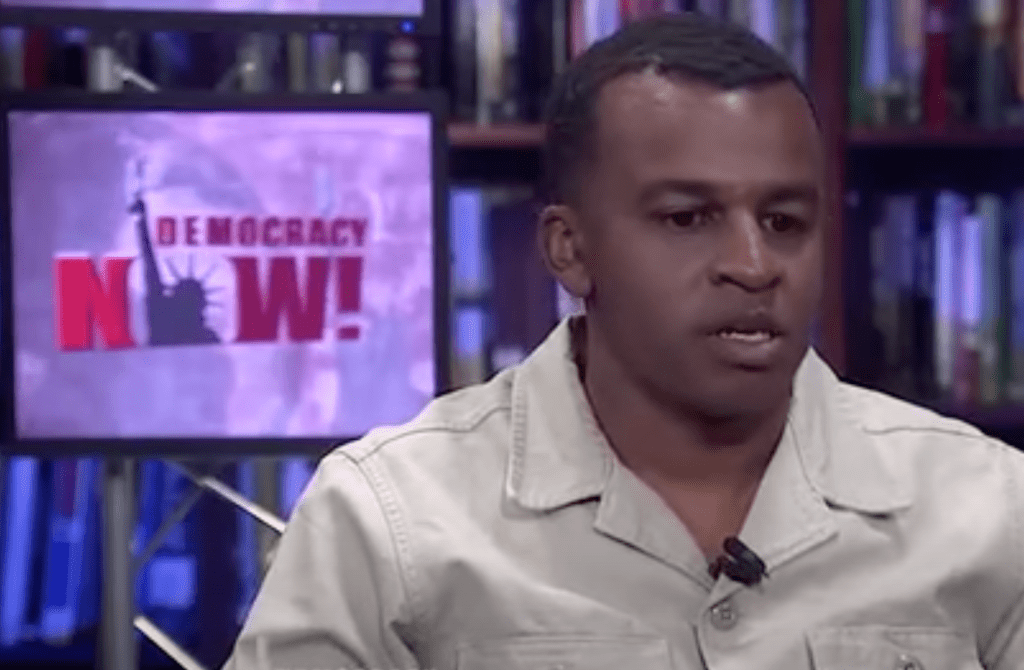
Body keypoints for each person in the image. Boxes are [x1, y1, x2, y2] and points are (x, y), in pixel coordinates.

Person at [222, 12, 1024, 670]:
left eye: (785, 222)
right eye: (687, 218)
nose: (753, 265)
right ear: (569, 249)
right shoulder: (389, 521)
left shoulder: (986, 509)